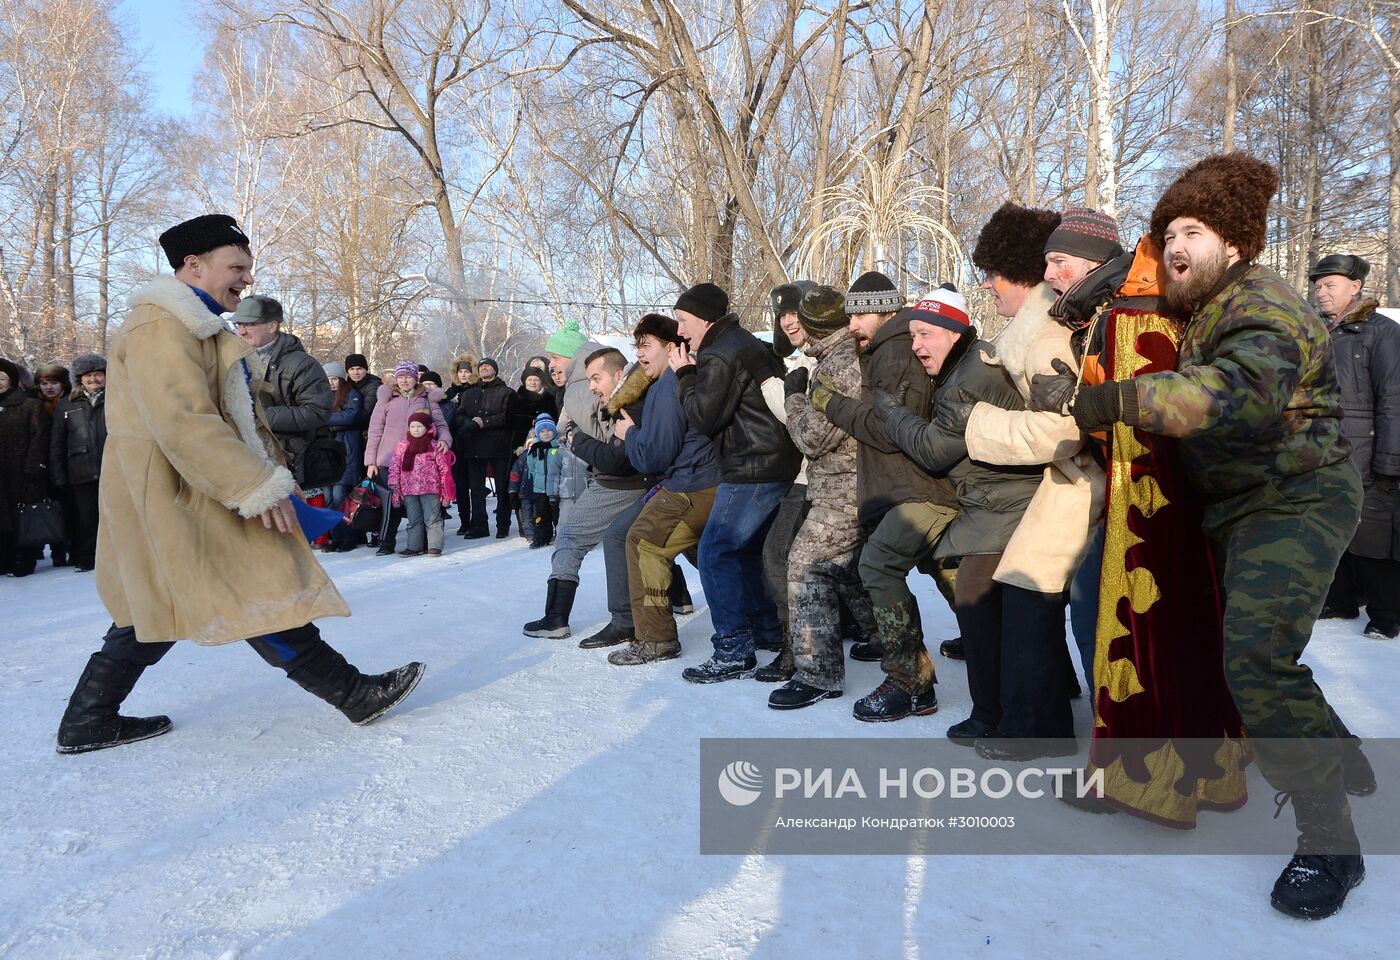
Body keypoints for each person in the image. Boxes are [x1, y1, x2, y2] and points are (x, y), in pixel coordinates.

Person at [1032, 154, 1365, 919]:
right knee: (1236, 649)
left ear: (1236, 244)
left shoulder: (1262, 304)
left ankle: (1332, 842)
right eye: (1168, 231)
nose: (1175, 244)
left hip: (1296, 496)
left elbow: (1237, 395)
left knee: (1256, 658)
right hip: (1235, 501)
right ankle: (1337, 755)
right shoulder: (1204, 307)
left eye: (1194, 230)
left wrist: (1101, 402)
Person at [54, 214, 423, 755]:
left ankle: (88, 720)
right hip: (186, 494)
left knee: (157, 604)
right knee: (254, 587)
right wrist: (256, 484)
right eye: (237, 267)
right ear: (193, 264)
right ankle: (352, 693)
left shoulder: (190, 324)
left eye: (248, 269)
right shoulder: (162, 326)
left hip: (184, 493)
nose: (247, 280)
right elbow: (184, 422)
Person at [932, 204, 1097, 760]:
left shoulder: (1045, 336)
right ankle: (1038, 720)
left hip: (1075, 485)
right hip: (1060, 484)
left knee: (1029, 601)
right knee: (1030, 603)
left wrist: (978, 421)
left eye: (993, 273)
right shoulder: (1029, 331)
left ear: (1020, 274)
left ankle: (1037, 728)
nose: (986, 284)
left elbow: (1065, 428)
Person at [815, 271, 959, 720]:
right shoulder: (885, 349)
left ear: (884, 310)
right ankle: (1011, 658)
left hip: (918, 488)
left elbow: (890, 429)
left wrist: (828, 403)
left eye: (859, 315)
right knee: (954, 574)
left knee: (877, 566)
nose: (852, 326)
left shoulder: (897, 351)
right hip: (908, 488)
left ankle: (909, 683)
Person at [672, 282, 802, 683]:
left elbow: (704, 417)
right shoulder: (741, 341)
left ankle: (732, 649)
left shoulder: (718, 353)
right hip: (773, 462)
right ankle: (765, 630)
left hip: (753, 467)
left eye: (683, 321)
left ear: (705, 319)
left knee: (714, 551)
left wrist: (686, 374)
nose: (680, 331)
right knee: (746, 553)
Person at [766, 286, 878, 709]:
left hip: (844, 490)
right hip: (844, 486)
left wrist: (794, 397)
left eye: (800, 320)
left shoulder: (840, 365)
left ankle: (817, 675)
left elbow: (811, 438)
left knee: (806, 566)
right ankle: (882, 639)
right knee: (842, 570)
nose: (792, 326)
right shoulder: (836, 358)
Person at [609, 314, 721, 665]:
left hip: (693, 485)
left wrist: (629, 435)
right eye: (636, 346)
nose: (639, 354)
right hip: (712, 482)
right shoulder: (686, 377)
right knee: (707, 553)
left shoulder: (667, 386)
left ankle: (656, 640)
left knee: (643, 541)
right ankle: (757, 619)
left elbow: (655, 454)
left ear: (671, 347)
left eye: (647, 345)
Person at [529, 347, 657, 644]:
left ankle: (555, 618)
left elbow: (614, 458)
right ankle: (678, 598)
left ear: (617, 375)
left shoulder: (625, 399)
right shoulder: (625, 391)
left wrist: (575, 439)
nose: (554, 365)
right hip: (634, 480)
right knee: (636, 538)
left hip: (619, 482)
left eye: (557, 357)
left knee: (570, 538)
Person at [1311, 254, 1400, 639]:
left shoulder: (1381, 333)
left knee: (1374, 537)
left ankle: (1385, 614)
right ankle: (1341, 600)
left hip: (1367, 454)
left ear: (1356, 287)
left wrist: (1390, 460)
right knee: (1332, 530)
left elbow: (1394, 398)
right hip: (1324, 451)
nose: (1321, 291)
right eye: (1318, 285)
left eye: (1330, 284)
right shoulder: (1318, 332)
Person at [230, 295, 335, 488]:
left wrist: (257, 416)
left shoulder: (302, 364)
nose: (241, 331)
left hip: (287, 461)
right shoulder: (236, 358)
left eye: (249, 324)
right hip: (247, 457)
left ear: (272, 326)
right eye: (238, 324)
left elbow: (317, 411)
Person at [364, 360, 452, 555]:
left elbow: (441, 425)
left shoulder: (427, 399)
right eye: (400, 376)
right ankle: (387, 542)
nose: (404, 380)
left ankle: (421, 543)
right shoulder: (386, 399)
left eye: (408, 376)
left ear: (415, 377)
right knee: (391, 504)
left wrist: (445, 441)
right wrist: (371, 461)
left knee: (420, 503)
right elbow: (375, 430)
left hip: (420, 461)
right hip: (388, 459)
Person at [49, 354, 108, 571]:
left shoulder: (117, 400)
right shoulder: (66, 405)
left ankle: (117, 559)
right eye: (88, 375)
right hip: (80, 470)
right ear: (79, 379)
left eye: (98, 374)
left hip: (112, 469)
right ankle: (87, 559)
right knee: (86, 519)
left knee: (115, 516)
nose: (94, 379)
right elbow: (57, 444)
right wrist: (59, 475)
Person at [453, 357, 516, 538]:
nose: (484, 368)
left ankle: (503, 524)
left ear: (495, 370)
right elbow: (458, 415)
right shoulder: (469, 394)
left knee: (502, 488)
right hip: (474, 446)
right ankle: (479, 526)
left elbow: (509, 416)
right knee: (476, 489)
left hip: (499, 445)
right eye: (481, 366)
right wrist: (468, 422)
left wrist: (484, 422)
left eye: (488, 366)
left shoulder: (507, 392)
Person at [0, 356, 51, 577]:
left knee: (22, 516)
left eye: (2, 377)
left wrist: (32, 466)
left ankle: (24, 560)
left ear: (11, 380)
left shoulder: (29, 405)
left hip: (21, 472)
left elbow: (39, 436)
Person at [388, 410, 455, 557]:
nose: (416, 430)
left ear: (427, 427)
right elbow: (394, 467)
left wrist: (446, 492)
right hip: (409, 489)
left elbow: (444, 470)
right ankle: (414, 546)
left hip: (430, 488)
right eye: (413, 426)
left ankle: (434, 546)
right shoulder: (403, 446)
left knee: (432, 519)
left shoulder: (435, 446)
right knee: (414, 519)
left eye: (419, 426)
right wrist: (395, 487)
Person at [34, 362, 71, 567]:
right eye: (44, 383)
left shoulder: (71, 403)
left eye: (54, 383)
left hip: (67, 463)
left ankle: (66, 548)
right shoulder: (34, 405)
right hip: (41, 466)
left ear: (63, 384)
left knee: (68, 509)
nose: (49, 387)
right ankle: (51, 549)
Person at [523, 412, 562, 548]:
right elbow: (531, 467)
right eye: (543, 431)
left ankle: (561, 536)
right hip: (540, 488)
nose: (546, 434)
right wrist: (535, 480)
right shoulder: (535, 449)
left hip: (556, 488)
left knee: (558, 514)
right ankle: (542, 537)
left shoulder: (558, 447)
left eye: (549, 430)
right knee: (541, 515)